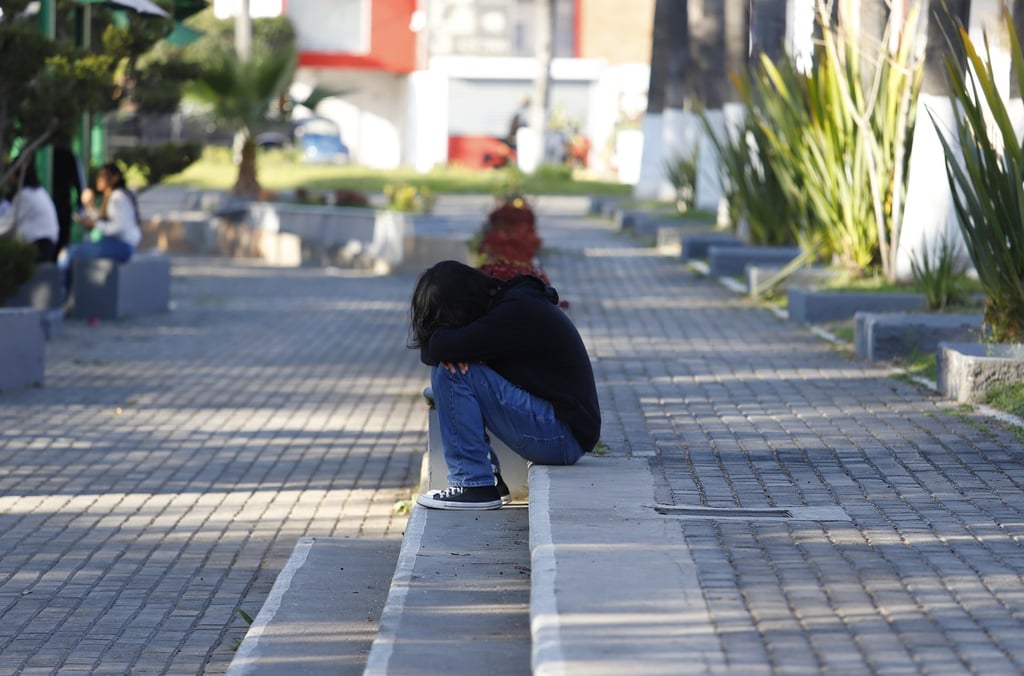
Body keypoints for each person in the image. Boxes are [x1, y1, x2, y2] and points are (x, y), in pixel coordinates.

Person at [409, 260, 601, 510]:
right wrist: (447, 351)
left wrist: (448, 351)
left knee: (451, 373)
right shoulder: (510, 305)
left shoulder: (513, 313)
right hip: (562, 432)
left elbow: (437, 347)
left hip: (560, 435)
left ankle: (473, 484)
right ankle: (488, 479)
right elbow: (434, 347)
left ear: (457, 308)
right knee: (449, 364)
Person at [63, 162, 141, 278]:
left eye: (103, 175)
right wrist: (89, 207)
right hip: (118, 244)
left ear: (114, 178)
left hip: (122, 245)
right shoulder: (113, 196)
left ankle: (62, 292)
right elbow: (101, 217)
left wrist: (95, 224)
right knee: (80, 248)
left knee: (69, 253)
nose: (99, 179)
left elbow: (119, 227)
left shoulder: (117, 197)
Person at [0, 160, 60, 263]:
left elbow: (6, 225)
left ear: (18, 175)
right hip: (46, 244)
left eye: (12, 172)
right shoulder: (39, 192)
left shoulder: (25, 195)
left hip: (37, 245)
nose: (9, 177)